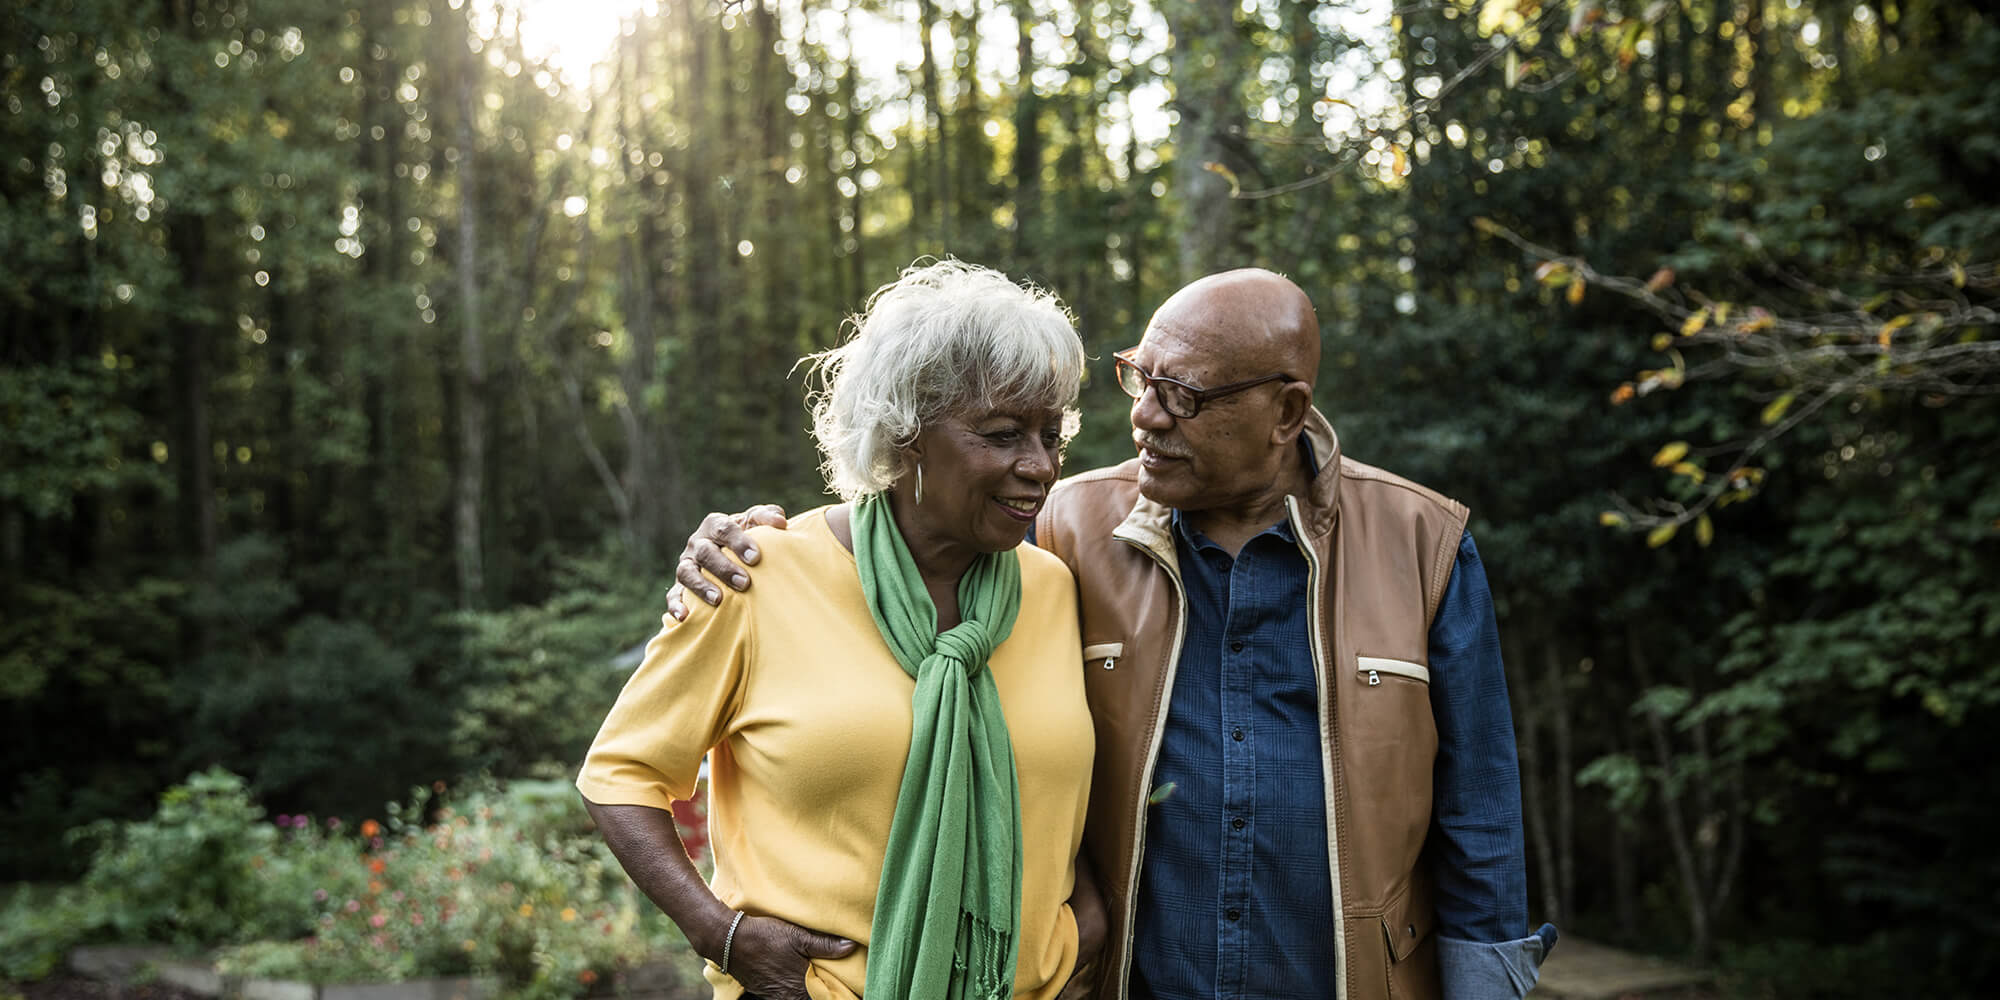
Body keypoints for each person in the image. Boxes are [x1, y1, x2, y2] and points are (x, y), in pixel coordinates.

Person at [669, 268, 1556, 1000]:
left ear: (1286, 413)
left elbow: (1479, 815)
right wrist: (746, 535)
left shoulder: (1422, 543)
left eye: (1184, 394)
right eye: (1141, 377)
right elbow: (917, 518)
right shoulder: (1061, 527)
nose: (1145, 415)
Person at [578, 259, 1105, 1000]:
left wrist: (1084, 925)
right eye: (1003, 434)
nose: (1041, 466)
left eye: (1053, 435)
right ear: (907, 432)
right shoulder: (753, 575)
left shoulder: (1055, 587)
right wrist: (719, 933)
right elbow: (619, 774)